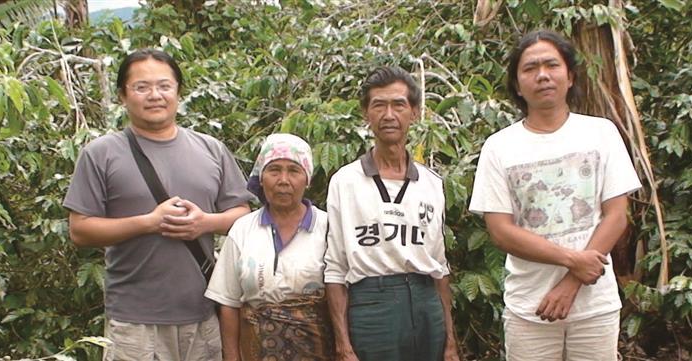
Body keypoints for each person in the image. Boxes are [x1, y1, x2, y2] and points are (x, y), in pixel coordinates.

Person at [64, 48, 253, 361]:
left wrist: (205, 222)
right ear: (123, 95)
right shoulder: (100, 154)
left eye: (164, 86)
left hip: (203, 315)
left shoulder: (211, 149)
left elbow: (241, 215)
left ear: (178, 92)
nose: (155, 95)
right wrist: (149, 222)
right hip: (135, 324)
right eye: (141, 87)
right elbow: (80, 231)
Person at [468, 30, 642, 360]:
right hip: (528, 307)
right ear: (517, 85)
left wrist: (571, 281)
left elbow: (617, 214)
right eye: (530, 68)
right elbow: (501, 231)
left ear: (570, 75)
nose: (543, 75)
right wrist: (572, 260)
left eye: (552, 65)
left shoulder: (600, 133)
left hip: (595, 307)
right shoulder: (499, 147)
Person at [323, 66, 459, 361]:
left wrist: (450, 342)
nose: (389, 115)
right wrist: (343, 346)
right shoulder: (345, 182)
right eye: (379, 105)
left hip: (426, 305)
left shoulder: (432, 183)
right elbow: (335, 268)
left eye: (399, 104)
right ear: (365, 113)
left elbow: (439, 266)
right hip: (372, 306)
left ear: (414, 112)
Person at [205, 133, 334, 361]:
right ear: (261, 178)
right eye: (274, 170)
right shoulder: (243, 229)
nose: (283, 180)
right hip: (255, 349)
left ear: (307, 179)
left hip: (317, 351)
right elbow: (228, 303)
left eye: (294, 171)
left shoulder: (328, 228)